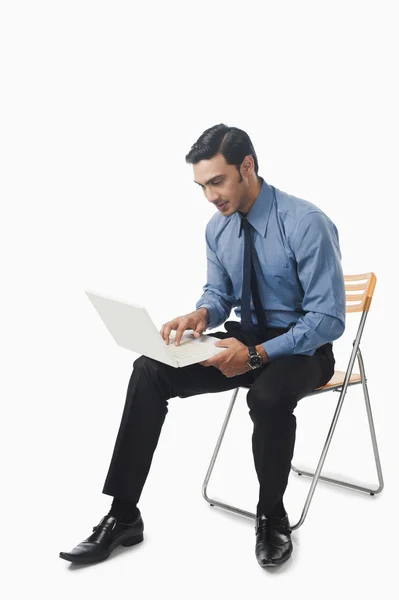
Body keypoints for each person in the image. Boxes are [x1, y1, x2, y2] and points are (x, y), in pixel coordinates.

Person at [59, 124, 346, 568]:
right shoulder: (218, 229)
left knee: (267, 396)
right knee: (149, 370)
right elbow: (219, 293)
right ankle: (122, 515)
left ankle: (272, 516)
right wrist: (202, 315)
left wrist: (256, 356)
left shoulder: (306, 223)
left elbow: (328, 320)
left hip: (306, 350)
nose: (211, 196)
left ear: (246, 167)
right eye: (202, 186)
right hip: (246, 337)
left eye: (217, 181)